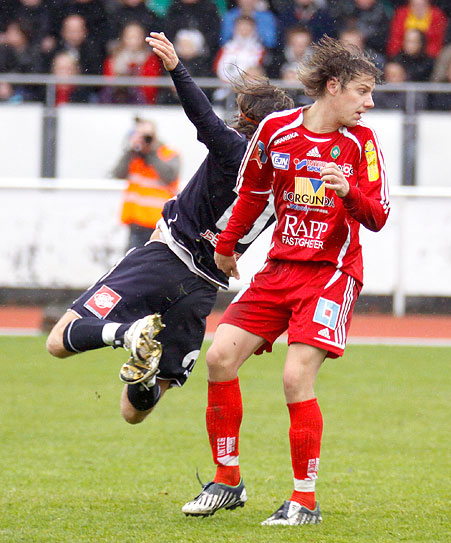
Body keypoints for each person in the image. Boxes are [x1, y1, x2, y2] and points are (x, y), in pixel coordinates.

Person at [181, 36, 389, 526]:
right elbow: (252, 191)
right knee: (219, 357)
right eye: (362, 92)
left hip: (331, 274)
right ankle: (227, 481)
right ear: (333, 87)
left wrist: (350, 192)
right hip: (278, 270)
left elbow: (378, 216)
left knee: (295, 378)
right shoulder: (276, 130)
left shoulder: (362, 143)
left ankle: (304, 501)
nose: (369, 102)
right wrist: (227, 244)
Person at [45, 31, 293, 425]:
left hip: (165, 258)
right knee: (133, 412)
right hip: (201, 292)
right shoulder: (289, 181)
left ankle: (125, 335)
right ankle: (143, 362)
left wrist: (177, 68)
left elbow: (201, 114)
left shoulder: (235, 152)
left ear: (247, 120)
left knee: (58, 341)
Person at [112, 117, 181, 250]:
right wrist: (129, 152)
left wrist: (152, 153)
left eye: (147, 136)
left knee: (157, 265)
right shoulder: (134, 155)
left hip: (160, 222)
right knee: (132, 265)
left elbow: (169, 176)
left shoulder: (167, 153)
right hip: (137, 222)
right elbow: (117, 173)